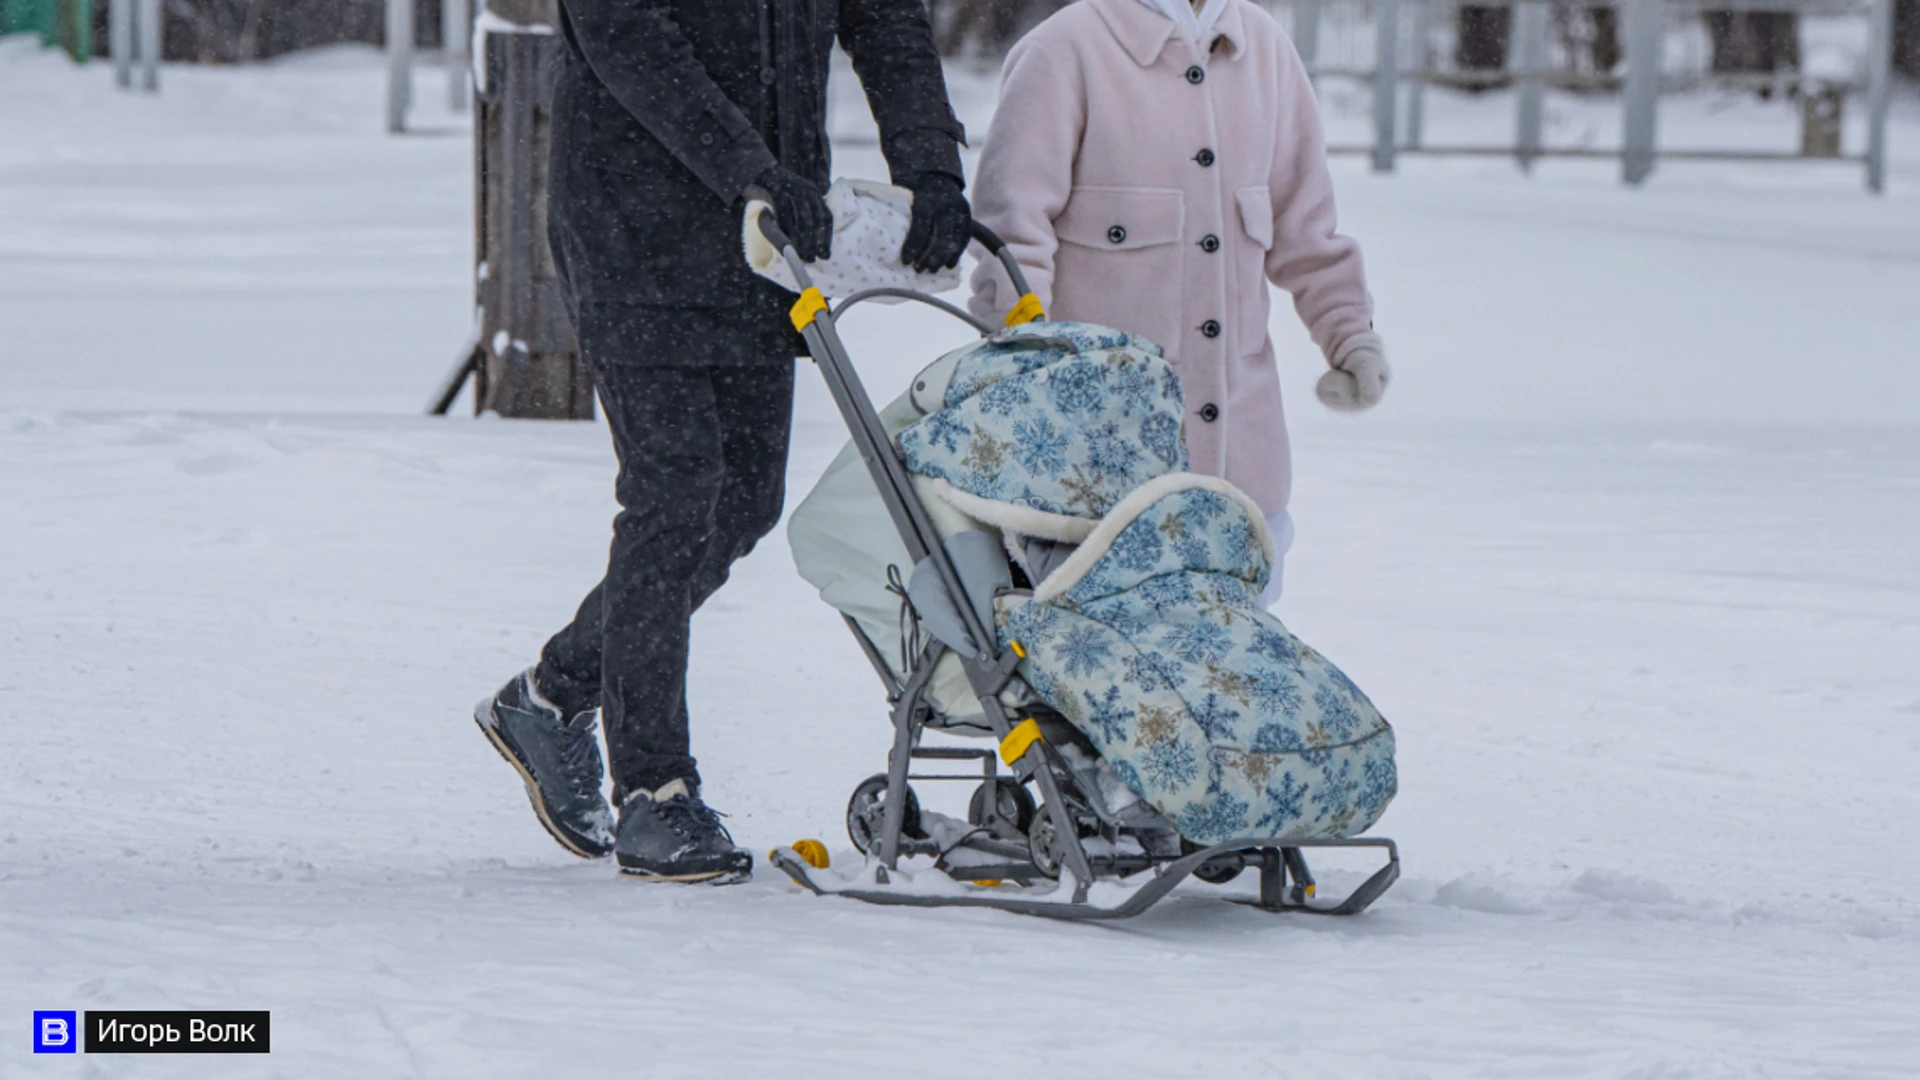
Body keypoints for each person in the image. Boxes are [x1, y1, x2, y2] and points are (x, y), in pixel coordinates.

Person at [474, 0, 972, 884]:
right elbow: (625, 33)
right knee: (673, 494)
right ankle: (655, 792)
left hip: (765, 241)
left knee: (742, 500)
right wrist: (747, 166)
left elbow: (887, 21)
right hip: (636, 226)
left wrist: (931, 169)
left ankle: (552, 694)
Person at [967, 0, 1389, 603]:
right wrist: (1017, 359)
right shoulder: (1064, 50)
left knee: (1233, 679)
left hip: (1243, 483)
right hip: (1096, 479)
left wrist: (1349, 332)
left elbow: (1307, 229)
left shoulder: (1266, 51)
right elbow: (1013, 237)